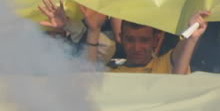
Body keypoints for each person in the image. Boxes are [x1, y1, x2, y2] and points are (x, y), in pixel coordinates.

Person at [82, 7, 210, 74]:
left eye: (144, 40)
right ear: (121, 38)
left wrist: (192, 35)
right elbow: (88, 86)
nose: (137, 48)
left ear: (155, 40)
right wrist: (94, 31)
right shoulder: (113, 74)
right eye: (130, 40)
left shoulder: (167, 63)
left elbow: (185, 48)